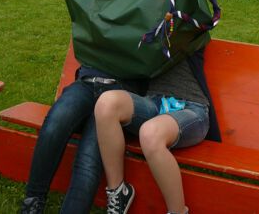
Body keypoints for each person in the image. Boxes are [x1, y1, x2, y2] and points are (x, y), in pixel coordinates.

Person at [94, 48, 220, 214]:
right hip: (154, 102)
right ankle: (118, 193)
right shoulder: (143, 25)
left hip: (191, 108)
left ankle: (178, 211)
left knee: (150, 133)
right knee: (106, 103)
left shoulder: (189, 23)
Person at [20, 65, 147, 214]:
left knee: (88, 159)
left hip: (120, 95)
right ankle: (32, 203)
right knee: (55, 124)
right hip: (86, 83)